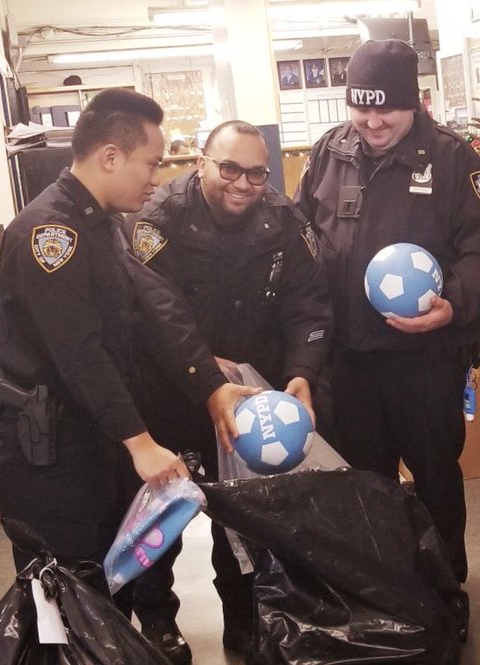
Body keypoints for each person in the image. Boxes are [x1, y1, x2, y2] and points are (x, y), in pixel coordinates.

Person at [0, 88, 254, 665]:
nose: (156, 179)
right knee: (63, 602)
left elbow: (157, 309)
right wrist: (140, 442)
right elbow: (79, 354)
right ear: (111, 156)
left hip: (90, 440)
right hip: (49, 453)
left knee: (108, 593)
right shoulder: (50, 235)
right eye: (151, 163)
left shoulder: (104, 225)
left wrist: (209, 384)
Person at [294, 39, 480, 618]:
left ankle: (445, 592)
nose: (372, 121)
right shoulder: (330, 152)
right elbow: (299, 238)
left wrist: (452, 305)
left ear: (413, 102)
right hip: (349, 358)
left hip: (425, 360)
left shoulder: (453, 159)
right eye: (361, 107)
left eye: (386, 108)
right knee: (367, 483)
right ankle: (384, 596)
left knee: (435, 478)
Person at [121, 120, 332, 657]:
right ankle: (157, 621)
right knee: (163, 510)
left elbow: (309, 305)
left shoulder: (284, 221)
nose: (243, 183)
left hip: (252, 397)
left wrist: (301, 373)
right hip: (171, 391)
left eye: (257, 173)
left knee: (245, 514)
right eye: (230, 168)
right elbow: (158, 315)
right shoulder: (157, 222)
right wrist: (205, 374)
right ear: (201, 164)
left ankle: (244, 618)